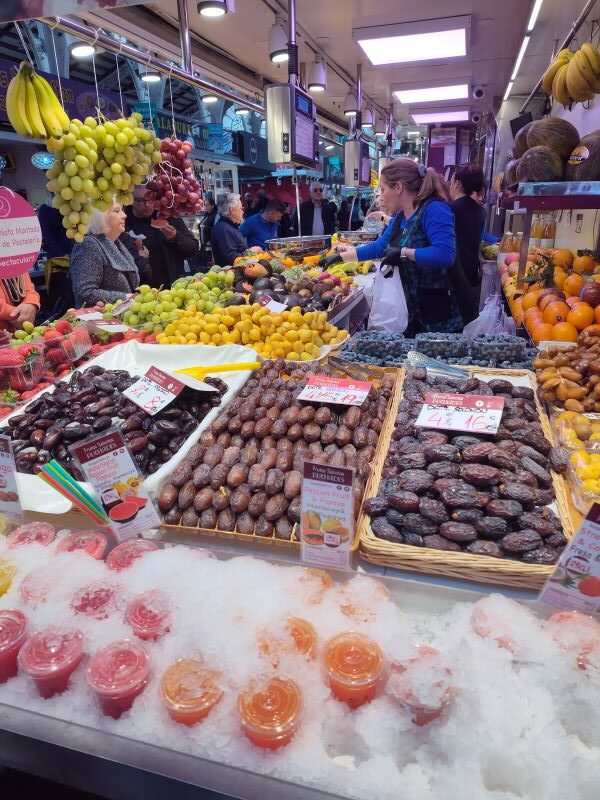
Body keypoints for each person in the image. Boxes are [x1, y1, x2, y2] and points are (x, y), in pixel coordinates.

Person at [338, 158, 475, 334]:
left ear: (398, 187)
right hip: (412, 309)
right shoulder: (400, 217)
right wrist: (339, 257)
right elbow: (380, 247)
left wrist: (404, 252)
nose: (381, 195)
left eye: (383, 189)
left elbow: (445, 254)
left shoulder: (435, 209)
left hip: (441, 312)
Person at [125, 186, 199, 289]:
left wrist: (175, 237)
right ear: (131, 201)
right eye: (140, 201)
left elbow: (193, 249)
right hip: (141, 292)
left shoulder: (168, 216)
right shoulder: (123, 223)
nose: (147, 205)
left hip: (173, 288)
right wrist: (137, 257)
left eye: (150, 200)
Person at [70, 201, 141, 307]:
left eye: (122, 210)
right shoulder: (88, 244)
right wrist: (127, 298)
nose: (124, 215)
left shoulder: (116, 242)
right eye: (117, 211)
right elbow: (85, 293)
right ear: (100, 217)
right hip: (99, 320)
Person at [449, 164, 487, 293]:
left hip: (452, 276)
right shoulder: (481, 211)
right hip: (471, 274)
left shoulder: (449, 209)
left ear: (457, 184)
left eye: (451, 181)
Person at [210, 193, 248, 265]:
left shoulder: (229, 226)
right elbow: (231, 258)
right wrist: (250, 252)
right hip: (231, 273)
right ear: (232, 210)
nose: (242, 211)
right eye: (241, 208)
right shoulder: (224, 229)